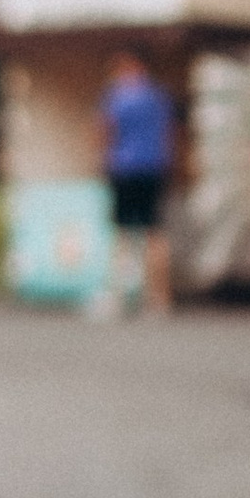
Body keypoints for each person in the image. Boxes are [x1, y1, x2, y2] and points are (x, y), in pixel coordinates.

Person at [98, 49, 175, 314]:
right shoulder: (159, 97)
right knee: (156, 233)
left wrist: (101, 161)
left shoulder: (118, 97)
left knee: (121, 234)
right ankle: (160, 301)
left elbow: (106, 130)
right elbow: (169, 132)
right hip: (154, 168)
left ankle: (118, 298)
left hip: (125, 168)